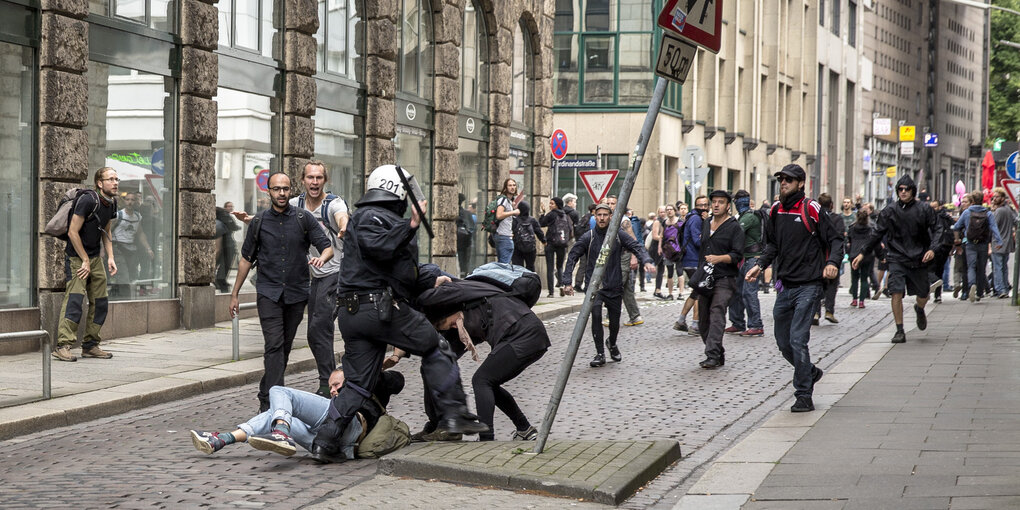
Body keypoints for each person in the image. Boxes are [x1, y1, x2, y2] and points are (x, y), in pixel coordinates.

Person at [315, 164, 488, 456]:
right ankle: (453, 414)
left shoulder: (374, 218)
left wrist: (430, 276)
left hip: (355, 314)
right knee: (437, 347)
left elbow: (398, 270)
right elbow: (378, 246)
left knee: (357, 384)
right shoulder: (373, 217)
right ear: (395, 190)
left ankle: (325, 441)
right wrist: (409, 226)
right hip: (378, 308)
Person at [230, 172, 333, 411]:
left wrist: (321, 260)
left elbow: (326, 246)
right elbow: (246, 259)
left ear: (291, 190)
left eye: (286, 189)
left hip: (297, 294)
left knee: (284, 348)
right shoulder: (259, 222)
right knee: (274, 345)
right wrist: (234, 294)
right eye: (277, 189)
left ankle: (266, 391)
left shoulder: (303, 218)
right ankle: (274, 405)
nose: (282, 193)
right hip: (268, 293)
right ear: (269, 192)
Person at [745, 164, 842, 412]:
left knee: (798, 339)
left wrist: (831, 263)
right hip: (784, 286)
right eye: (781, 179)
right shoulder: (776, 210)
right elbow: (772, 245)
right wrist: (760, 265)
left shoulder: (811, 208)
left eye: (789, 179)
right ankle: (809, 371)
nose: (783, 183)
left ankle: (803, 395)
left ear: (801, 183)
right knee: (782, 341)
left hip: (809, 286)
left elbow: (836, 238)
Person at [418, 278, 550, 442]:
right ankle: (524, 428)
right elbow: (449, 354)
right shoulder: (466, 317)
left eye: (448, 323)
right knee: (490, 382)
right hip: (529, 335)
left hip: (523, 335)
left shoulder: (469, 304)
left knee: (482, 380)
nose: (453, 327)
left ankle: (486, 439)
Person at [188, 368, 404, 458]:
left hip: (353, 427)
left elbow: (398, 380)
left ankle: (280, 431)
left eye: (337, 384)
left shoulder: (364, 386)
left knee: (278, 391)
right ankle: (222, 440)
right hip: (331, 446)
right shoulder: (334, 400)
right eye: (330, 388)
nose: (333, 390)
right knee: (280, 412)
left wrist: (375, 370)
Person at [853, 175, 945, 343]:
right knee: (895, 291)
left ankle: (919, 308)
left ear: (913, 191)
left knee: (924, 294)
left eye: (906, 189)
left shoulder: (925, 209)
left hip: (919, 258)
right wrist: (862, 252)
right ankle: (899, 329)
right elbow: (876, 233)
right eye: (900, 189)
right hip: (896, 257)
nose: (903, 192)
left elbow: (938, 228)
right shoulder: (889, 211)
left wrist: (933, 249)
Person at [563, 204, 655, 367]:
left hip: (614, 284)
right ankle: (600, 353)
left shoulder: (618, 235)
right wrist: (567, 281)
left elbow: (636, 246)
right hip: (594, 286)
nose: (602, 218)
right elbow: (572, 256)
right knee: (596, 317)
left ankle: (611, 343)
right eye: (599, 215)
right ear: (595, 217)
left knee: (614, 322)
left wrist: (646, 261)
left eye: (606, 215)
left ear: (611, 217)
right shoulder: (588, 237)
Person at [290, 161, 350, 397]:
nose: (314, 182)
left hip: (337, 273)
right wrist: (252, 220)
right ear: (303, 180)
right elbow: (275, 216)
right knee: (314, 333)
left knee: (319, 326)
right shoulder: (297, 204)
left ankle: (329, 383)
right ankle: (331, 379)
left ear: (325, 180)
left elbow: (342, 215)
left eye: (318, 178)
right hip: (316, 275)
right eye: (310, 178)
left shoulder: (332, 203)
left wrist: (344, 227)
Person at [52, 167, 120, 362]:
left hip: (95, 258)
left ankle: (90, 345)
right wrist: (84, 260)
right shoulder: (88, 200)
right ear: (100, 183)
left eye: (117, 179)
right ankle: (62, 345)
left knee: (101, 302)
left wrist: (110, 257)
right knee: (74, 299)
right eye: (110, 179)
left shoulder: (111, 203)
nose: (115, 182)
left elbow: (106, 231)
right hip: (76, 257)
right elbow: (73, 232)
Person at [695, 190, 745, 368]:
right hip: (706, 277)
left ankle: (712, 355)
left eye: (721, 202)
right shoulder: (706, 223)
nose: (716, 205)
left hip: (725, 277)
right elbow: (701, 250)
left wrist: (719, 258)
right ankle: (717, 351)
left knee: (717, 313)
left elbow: (737, 255)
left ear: (727, 206)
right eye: (714, 202)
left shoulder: (734, 227)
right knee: (703, 321)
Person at [725, 190, 765, 337]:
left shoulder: (749, 217)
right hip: (744, 259)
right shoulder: (742, 216)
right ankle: (737, 323)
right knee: (736, 291)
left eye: (737, 200)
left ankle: (756, 325)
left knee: (749, 292)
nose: (736, 203)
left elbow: (736, 231)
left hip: (752, 259)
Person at [952, 190, 1003, 302]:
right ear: (983, 200)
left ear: (973, 201)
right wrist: (999, 241)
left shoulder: (966, 213)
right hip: (983, 244)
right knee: (981, 268)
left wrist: (957, 240)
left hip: (970, 243)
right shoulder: (988, 213)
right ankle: (979, 292)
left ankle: (972, 285)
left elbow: (956, 227)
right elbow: (994, 228)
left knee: (971, 266)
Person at [674, 196, 710, 334]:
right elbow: (697, 240)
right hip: (694, 260)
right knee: (700, 293)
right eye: (700, 205)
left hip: (690, 260)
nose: (703, 207)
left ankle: (681, 321)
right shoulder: (696, 219)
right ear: (695, 205)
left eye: (706, 205)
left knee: (695, 292)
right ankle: (695, 325)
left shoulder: (692, 217)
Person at [109, 191, 153, 298]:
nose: (130, 202)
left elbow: (140, 233)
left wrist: (148, 248)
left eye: (132, 200)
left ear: (136, 202)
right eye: (127, 199)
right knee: (123, 276)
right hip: (118, 248)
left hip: (130, 249)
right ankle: (126, 300)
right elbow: (108, 231)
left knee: (132, 275)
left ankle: (116, 295)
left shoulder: (138, 216)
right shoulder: (119, 215)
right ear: (124, 201)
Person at [812, 194, 844, 325]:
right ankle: (829, 311)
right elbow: (840, 237)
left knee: (816, 284)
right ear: (831, 205)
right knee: (832, 284)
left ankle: (815, 312)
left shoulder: (815, 218)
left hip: (817, 257)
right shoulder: (837, 219)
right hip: (831, 256)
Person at [846, 210, 882, 307]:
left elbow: (849, 241)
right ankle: (861, 301)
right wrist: (881, 256)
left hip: (854, 254)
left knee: (854, 278)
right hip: (867, 255)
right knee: (864, 278)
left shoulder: (852, 228)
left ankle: (854, 299)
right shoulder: (871, 229)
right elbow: (875, 241)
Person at [540, 197, 572, 297]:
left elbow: (541, 224)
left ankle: (551, 292)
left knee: (550, 267)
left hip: (551, 243)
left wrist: (542, 213)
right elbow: (571, 230)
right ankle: (561, 286)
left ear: (557, 205)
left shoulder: (552, 214)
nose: (550, 205)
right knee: (559, 266)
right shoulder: (566, 216)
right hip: (562, 244)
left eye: (552, 204)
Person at [990, 188, 1017, 298]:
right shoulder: (1009, 209)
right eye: (993, 197)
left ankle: (1000, 290)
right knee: (1004, 267)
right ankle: (1005, 288)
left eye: (996, 197)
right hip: (1007, 243)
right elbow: (1016, 221)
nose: (994, 199)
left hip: (998, 243)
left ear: (1002, 198)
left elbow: (993, 226)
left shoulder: (999, 211)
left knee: (998, 267)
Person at [928, 200, 956, 303]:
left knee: (929, 269)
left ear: (940, 207)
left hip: (935, 246)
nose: (932, 209)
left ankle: (933, 284)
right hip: (946, 246)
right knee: (940, 269)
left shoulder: (933, 218)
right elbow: (954, 229)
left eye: (934, 207)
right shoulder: (948, 217)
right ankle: (937, 295)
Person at [654, 204, 683, 300]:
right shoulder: (664, 222)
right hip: (667, 250)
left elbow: (683, 236)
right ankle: (670, 293)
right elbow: (661, 236)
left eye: (671, 209)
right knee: (669, 272)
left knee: (679, 271)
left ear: (674, 211)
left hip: (678, 249)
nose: (669, 211)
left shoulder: (680, 222)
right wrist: (659, 247)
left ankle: (681, 293)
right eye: (667, 210)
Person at [511, 201, 545, 271]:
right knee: (530, 266)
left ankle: (519, 281)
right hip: (530, 248)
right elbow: (539, 232)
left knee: (517, 268)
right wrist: (544, 241)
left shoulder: (515, 220)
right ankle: (530, 280)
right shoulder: (532, 220)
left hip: (517, 247)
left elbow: (511, 231)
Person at [214, 205, 241, 293]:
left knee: (220, 277)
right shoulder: (220, 224)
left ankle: (224, 295)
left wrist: (212, 263)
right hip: (229, 249)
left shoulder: (218, 225)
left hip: (226, 250)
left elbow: (218, 249)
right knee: (221, 276)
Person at [493, 178, 520, 263]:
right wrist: (513, 212)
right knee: (504, 266)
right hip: (504, 236)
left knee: (502, 264)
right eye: (510, 185)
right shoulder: (503, 200)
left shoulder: (508, 201)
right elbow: (499, 215)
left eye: (514, 185)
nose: (512, 187)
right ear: (505, 188)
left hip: (503, 235)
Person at [457, 193, 476, 277]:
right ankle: (464, 273)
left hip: (460, 240)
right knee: (465, 259)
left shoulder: (458, 213)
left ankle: (462, 273)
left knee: (461, 257)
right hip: (467, 240)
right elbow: (472, 226)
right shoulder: (467, 213)